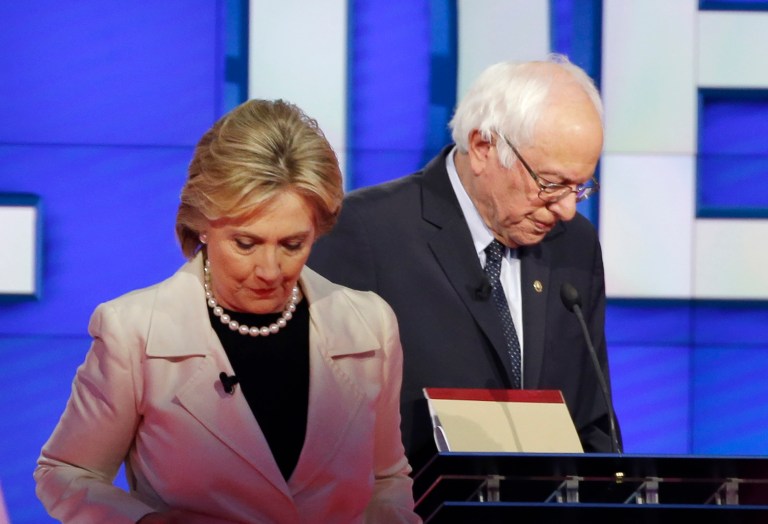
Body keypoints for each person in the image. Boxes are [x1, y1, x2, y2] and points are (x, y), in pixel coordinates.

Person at [34, 99, 420, 523]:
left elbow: (387, 480)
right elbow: (67, 473)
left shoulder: (369, 325)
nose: (270, 271)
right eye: (246, 243)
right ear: (202, 223)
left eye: (293, 245)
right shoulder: (134, 332)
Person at [308, 54, 621, 472]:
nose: (566, 209)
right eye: (551, 184)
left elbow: (592, 420)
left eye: (579, 187)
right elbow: (324, 421)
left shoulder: (575, 245)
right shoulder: (366, 232)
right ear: (482, 147)